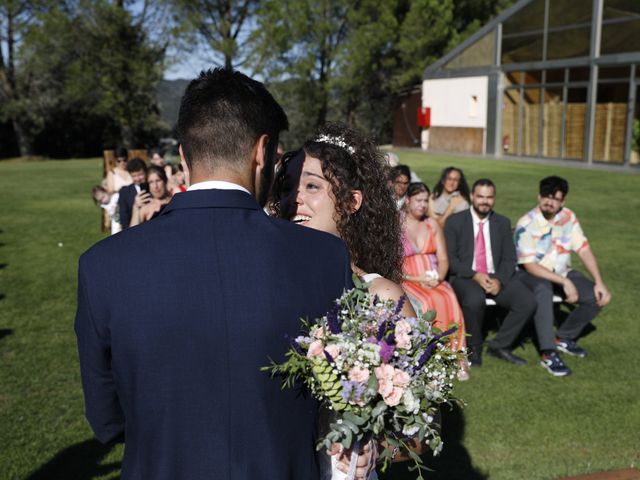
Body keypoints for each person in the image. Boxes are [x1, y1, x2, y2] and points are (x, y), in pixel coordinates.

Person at [75, 68, 358, 480]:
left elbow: (107, 420)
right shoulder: (324, 256)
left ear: (185, 156)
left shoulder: (103, 265)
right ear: (263, 151)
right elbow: (343, 397)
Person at [273, 122, 419, 478]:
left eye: (312, 186)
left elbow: (417, 434)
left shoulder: (381, 296)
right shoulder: (268, 283)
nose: (295, 198)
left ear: (352, 201)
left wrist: (376, 445)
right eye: (289, 186)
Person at [515, 176, 611, 375]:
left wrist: (599, 282)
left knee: (596, 296)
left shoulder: (568, 217)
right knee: (544, 291)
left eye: (555, 199)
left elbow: (583, 249)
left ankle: (564, 338)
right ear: (539, 196)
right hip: (533, 275)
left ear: (563, 201)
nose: (549, 202)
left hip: (561, 271)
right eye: (546, 197)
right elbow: (530, 265)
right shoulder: (527, 223)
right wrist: (564, 282)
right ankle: (548, 353)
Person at [445, 178, 536, 367]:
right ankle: (474, 348)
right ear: (472, 196)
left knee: (527, 301)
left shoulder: (502, 222)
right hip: (465, 275)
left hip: (496, 276)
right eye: (480, 196)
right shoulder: (455, 221)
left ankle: (499, 345)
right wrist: (475, 275)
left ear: (494, 198)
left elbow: (510, 259)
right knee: (474, 300)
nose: (484, 201)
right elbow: (451, 260)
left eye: (489, 197)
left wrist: (500, 281)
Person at [400, 182, 469, 381]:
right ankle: (428, 356)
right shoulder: (396, 225)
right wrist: (416, 278)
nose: (422, 205)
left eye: (425, 201)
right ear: (407, 200)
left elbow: (444, 258)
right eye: (418, 200)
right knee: (426, 303)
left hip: (433, 277)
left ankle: (456, 355)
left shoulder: (432, 224)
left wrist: (438, 277)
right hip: (408, 278)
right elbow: (391, 264)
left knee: (448, 297)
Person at [117, 157, 147, 230]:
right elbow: (124, 221)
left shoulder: (153, 187)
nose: (138, 179)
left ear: (146, 172)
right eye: (134, 176)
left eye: (140, 174)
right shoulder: (124, 192)